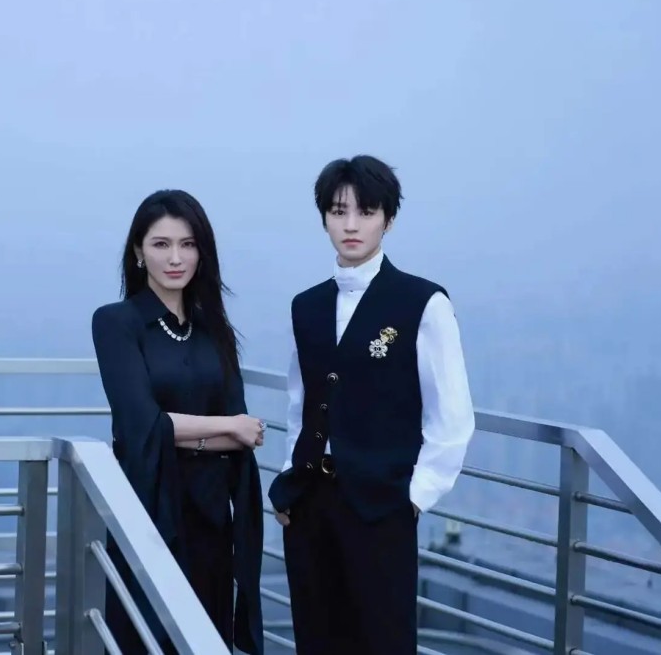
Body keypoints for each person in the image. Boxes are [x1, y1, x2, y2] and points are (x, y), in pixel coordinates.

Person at [267, 155, 476, 654]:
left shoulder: (423, 302)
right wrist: (290, 479)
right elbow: (301, 404)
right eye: (338, 212)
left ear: (389, 219)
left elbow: (452, 418)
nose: (351, 225)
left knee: (383, 640)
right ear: (324, 218)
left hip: (383, 508)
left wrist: (414, 499)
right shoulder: (306, 306)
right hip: (310, 506)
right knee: (317, 640)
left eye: (366, 212)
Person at [91, 188, 266, 655]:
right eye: (161, 244)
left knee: (206, 636)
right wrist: (223, 429)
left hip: (211, 513)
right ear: (138, 251)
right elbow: (139, 425)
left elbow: (244, 431)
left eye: (187, 244)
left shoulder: (215, 330)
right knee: (143, 635)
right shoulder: (116, 322)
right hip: (147, 507)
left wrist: (201, 432)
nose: (175, 258)